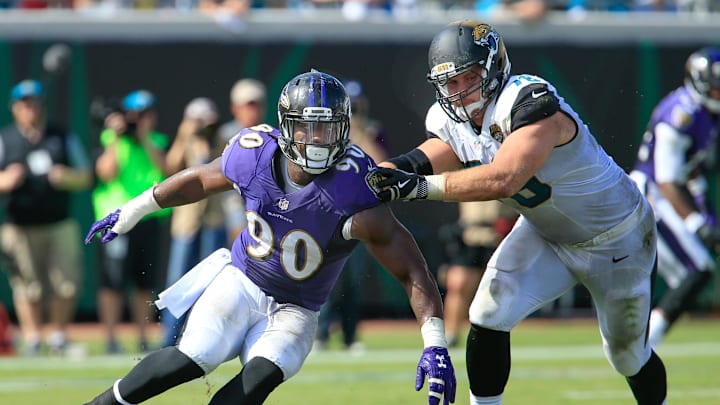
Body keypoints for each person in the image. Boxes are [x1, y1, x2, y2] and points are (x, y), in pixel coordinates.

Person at [82, 70, 456, 405]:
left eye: (326, 128)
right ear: (286, 126)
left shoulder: (355, 187)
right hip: (241, 281)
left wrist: (435, 342)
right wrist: (134, 209)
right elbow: (198, 179)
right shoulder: (255, 154)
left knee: (258, 379)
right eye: (306, 128)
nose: (316, 140)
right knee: (196, 356)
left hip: (297, 308)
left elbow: (411, 268)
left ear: (344, 129)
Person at [373, 21, 667, 404]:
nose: (460, 92)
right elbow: (430, 155)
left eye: (469, 78)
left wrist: (417, 189)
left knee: (627, 356)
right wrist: (386, 175)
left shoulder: (530, 101)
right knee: (487, 312)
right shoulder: (451, 120)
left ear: (494, 68)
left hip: (617, 236)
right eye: (451, 83)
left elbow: (504, 179)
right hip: (547, 233)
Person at [629, 47, 720, 348]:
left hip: (672, 193)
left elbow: (689, 173)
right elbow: (667, 178)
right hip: (653, 193)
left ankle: (644, 343)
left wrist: (705, 213)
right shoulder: (681, 113)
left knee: (698, 272)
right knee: (697, 270)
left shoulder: (706, 113)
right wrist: (697, 222)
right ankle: (644, 345)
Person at [0, 79, 92, 355]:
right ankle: (32, 338)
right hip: (19, 225)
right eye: (24, 104)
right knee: (28, 286)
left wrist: (67, 178)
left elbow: (86, 176)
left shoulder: (61, 136)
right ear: (15, 108)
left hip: (58, 222)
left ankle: (59, 336)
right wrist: (7, 180)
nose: (30, 109)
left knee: (66, 283)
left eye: (35, 104)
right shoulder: (5, 139)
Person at [90, 89, 171, 354]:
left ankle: (143, 337)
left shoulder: (157, 140)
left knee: (144, 281)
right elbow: (106, 172)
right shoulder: (111, 139)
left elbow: (167, 171)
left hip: (148, 219)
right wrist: (115, 136)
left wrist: (144, 136)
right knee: (112, 280)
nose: (140, 119)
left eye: (146, 114)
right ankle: (111, 339)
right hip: (117, 220)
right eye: (136, 115)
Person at [314, 78, 389, 352]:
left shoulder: (372, 130)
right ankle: (320, 333)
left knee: (353, 280)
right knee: (327, 276)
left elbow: (382, 164)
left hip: (359, 214)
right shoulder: (328, 130)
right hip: (331, 212)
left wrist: (359, 133)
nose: (355, 111)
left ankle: (349, 334)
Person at [160, 97, 228, 347]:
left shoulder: (221, 140)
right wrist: (183, 137)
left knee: (213, 282)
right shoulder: (185, 140)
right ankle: (169, 339)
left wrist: (208, 141)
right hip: (187, 220)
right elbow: (170, 168)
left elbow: (222, 168)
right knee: (178, 280)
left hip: (213, 219)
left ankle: (204, 337)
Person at [438, 200, 516, 348]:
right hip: (469, 233)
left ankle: (494, 335)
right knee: (459, 284)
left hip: (498, 234)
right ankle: (451, 334)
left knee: (497, 289)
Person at [218, 78, 268, 243]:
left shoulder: (271, 136)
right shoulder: (225, 135)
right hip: (227, 205)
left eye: (256, 105)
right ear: (235, 108)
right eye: (248, 105)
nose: (252, 111)